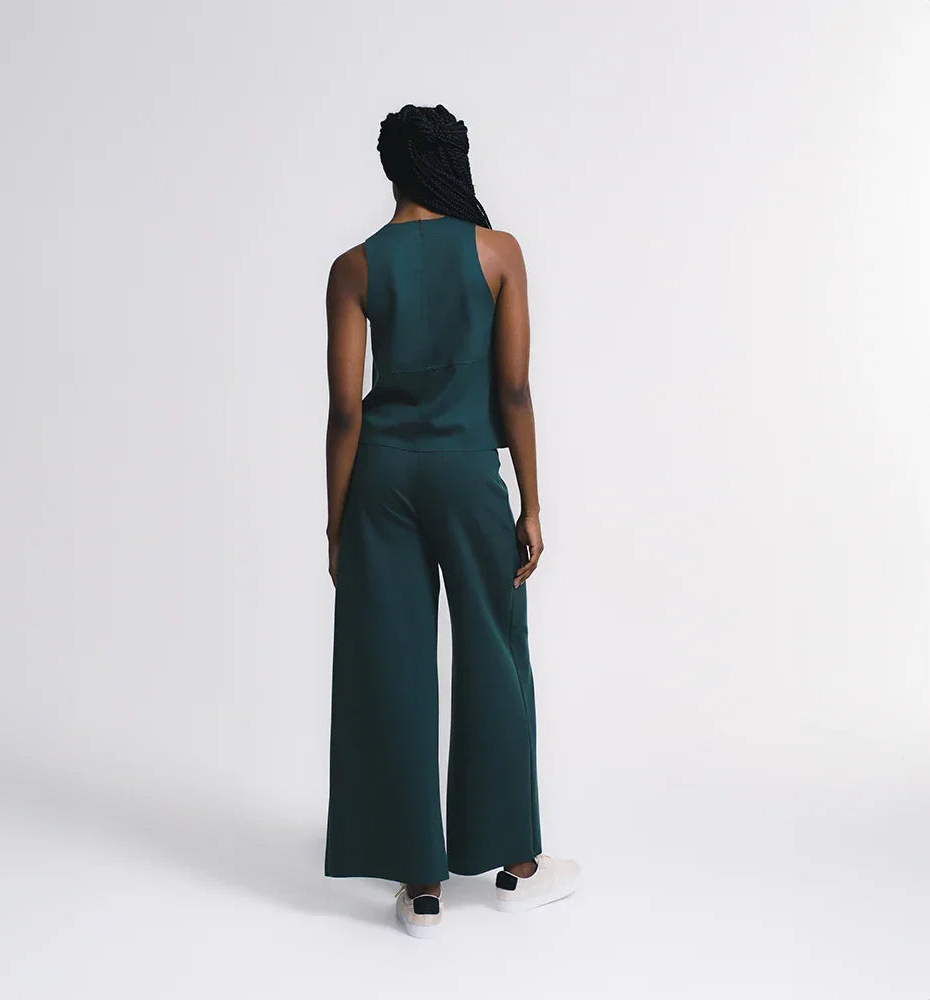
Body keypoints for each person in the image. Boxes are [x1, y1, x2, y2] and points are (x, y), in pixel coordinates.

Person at [323, 103, 579, 937]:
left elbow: (345, 411)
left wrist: (336, 521)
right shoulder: (498, 252)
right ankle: (516, 866)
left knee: (391, 664)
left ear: (390, 167)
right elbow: (515, 390)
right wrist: (531, 501)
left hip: (382, 479)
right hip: (469, 475)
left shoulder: (355, 267)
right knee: (495, 654)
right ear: (453, 163)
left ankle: (421, 886)